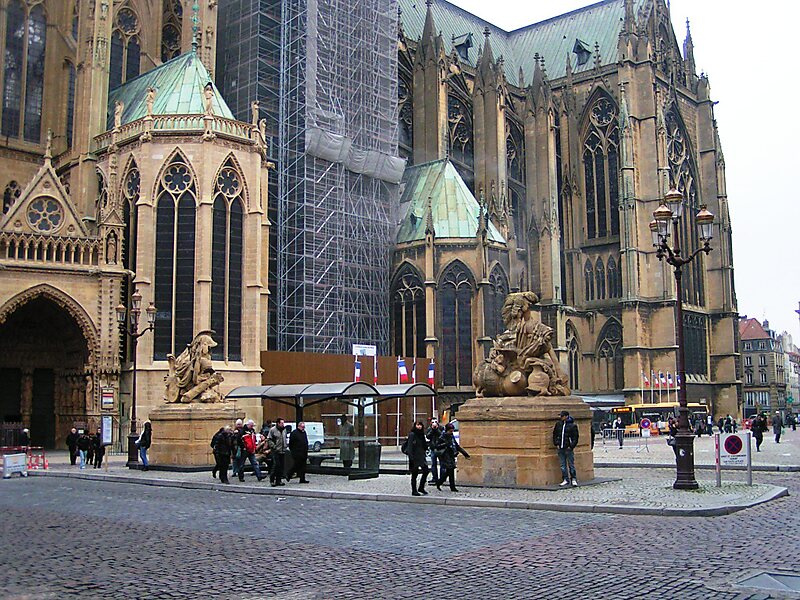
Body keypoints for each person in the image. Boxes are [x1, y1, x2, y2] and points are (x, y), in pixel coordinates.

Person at [434, 422, 470, 492]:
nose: (451, 432)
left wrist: (465, 453)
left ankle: (440, 482)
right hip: (445, 455)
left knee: (449, 471)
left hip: (451, 455)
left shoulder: (451, 436)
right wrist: (445, 444)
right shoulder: (442, 436)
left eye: (452, 431)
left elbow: (456, 446)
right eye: (450, 431)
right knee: (450, 470)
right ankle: (451, 487)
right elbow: (437, 446)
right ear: (447, 430)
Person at [552, 410, 579, 487]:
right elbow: (555, 434)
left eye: (562, 416)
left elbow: (575, 437)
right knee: (562, 465)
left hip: (568, 448)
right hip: (560, 447)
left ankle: (573, 479)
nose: (561, 417)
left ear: (566, 416)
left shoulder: (572, 426)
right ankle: (565, 479)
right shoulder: (558, 424)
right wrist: (556, 443)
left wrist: (571, 446)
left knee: (571, 465)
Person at [404, 421, 430, 496]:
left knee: (426, 471)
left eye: (420, 425)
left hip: (421, 456)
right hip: (414, 457)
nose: (419, 427)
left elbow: (424, 445)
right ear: (415, 425)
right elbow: (410, 447)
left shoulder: (421, 434)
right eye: (418, 425)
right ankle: (414, 490)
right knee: (414, 474)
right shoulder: (412, 434)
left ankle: (421, 487)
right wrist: (411, 457)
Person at [267, 418, 287, 486]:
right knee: (276, 465)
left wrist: (285, 446)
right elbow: (269, 440)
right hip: (276, 451)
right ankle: (272, 480)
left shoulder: (284, 430)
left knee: (281, 466)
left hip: (283, 450)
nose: (283, 424)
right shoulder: (273, 430)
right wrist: (274, 447)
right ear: (278, 423)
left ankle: (279, 480)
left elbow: (285, 438)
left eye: (283, 423)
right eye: (281, 423)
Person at [426, 419, 444, 484]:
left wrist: (436, 429)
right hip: (433, 448)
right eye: (433, 422)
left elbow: (442, 436)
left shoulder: (441, 428)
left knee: (442, 464)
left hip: (440, 448)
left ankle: (442, 478)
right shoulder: (429, 429)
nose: (434, 423)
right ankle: (434, 478)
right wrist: (432, 430)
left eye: (435, 422)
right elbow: (428, 436)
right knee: (433, 464)